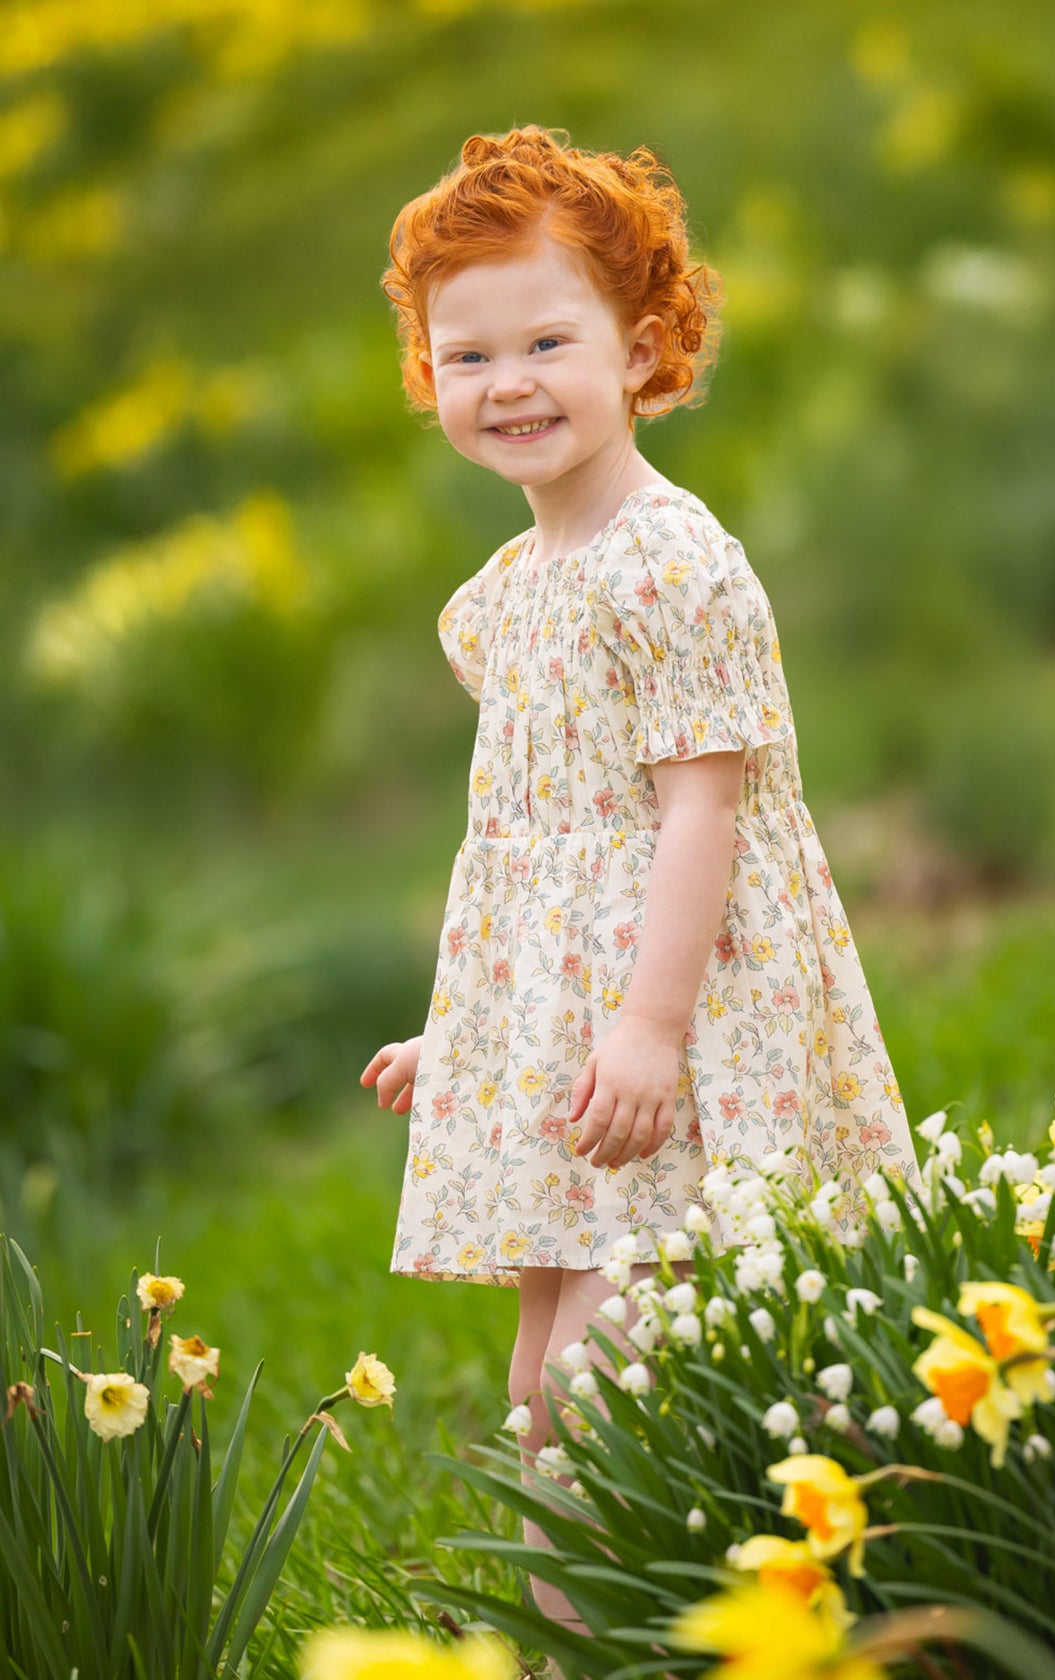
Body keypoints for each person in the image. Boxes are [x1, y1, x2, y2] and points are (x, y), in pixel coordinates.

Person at [361, 124, 917, 1639]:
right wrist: (466, 1035)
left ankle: (776, 1626)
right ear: (430, 381)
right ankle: (583, 1652)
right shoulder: (505, 600)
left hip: (685, 1027)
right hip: (573, 1044)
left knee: (618, 1385)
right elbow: (524, 856)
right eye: (467, 355)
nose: (510, 382)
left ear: (645, 348)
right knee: (547, 1386)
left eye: (549, 339)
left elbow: (701, 819)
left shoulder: (672, 567)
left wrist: (653, 1027)